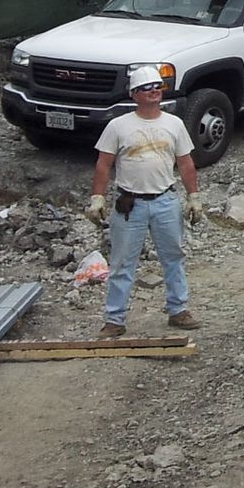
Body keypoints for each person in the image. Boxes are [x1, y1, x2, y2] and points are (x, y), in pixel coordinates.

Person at [85, 65, 205, 336]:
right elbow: (104, 165)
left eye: (156, 87)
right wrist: (97, 197)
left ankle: (178, 310)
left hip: (165, 201)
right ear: (134, 94)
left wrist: (194, 197)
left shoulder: (173, 124)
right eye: (146, 88)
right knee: (122, 263)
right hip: (131, 204)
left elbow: (185, 163)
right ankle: (115, 319)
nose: (153, 92)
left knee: (173, 256)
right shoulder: (119, 126)